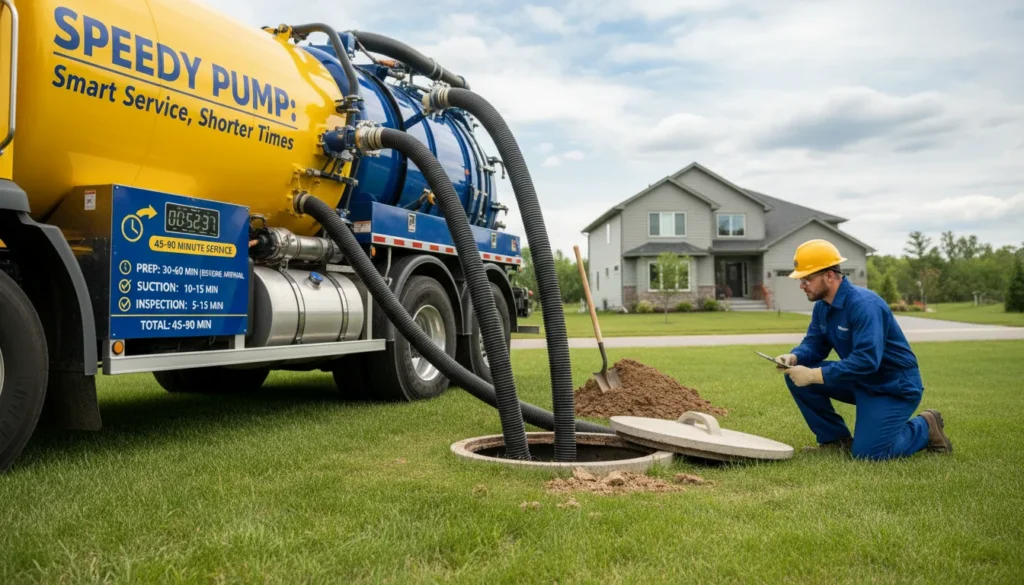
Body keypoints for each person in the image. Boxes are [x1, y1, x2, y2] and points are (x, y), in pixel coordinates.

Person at [775, 239, 953, 460]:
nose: (802, 285)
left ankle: (926, 426)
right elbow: (815, 344)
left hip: (893, 386)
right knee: (796, 374)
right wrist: (795, 357)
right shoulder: (823, 307)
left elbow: (867, 360)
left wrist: (813, 375)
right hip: (862, 379)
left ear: (829, 276)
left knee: (869, 454)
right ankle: (835, 440)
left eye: (807, 278)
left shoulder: (864, 305)